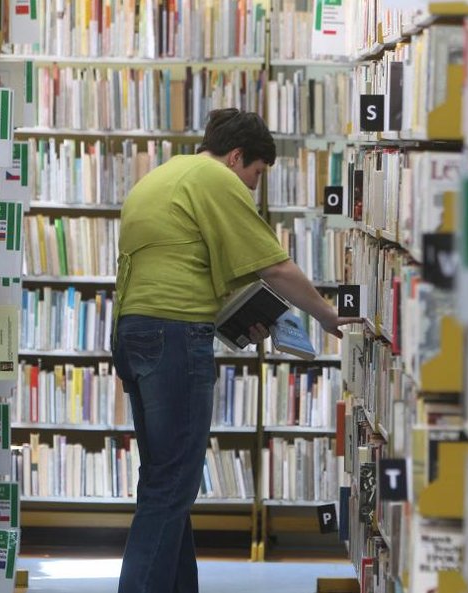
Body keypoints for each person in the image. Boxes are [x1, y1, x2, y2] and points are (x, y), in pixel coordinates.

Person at [110, 108, 357, 593]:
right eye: (257, 175)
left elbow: (184, 266)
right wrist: (327, 316)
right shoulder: (214, 177)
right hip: (176, 335)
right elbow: (276, 268)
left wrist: (243, 317)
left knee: (164, 480)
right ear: (237, 156)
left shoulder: (163, 176)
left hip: (132, 331)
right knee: (172, 485)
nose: (253, 188)